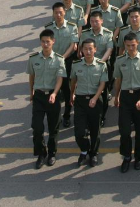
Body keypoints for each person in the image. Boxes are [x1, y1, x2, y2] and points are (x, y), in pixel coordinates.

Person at [112, 32, 140, 172]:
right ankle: (127, 156)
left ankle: (139, 158)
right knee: (124, 130)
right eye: (128, 45)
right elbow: (118, 80)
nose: (130, 48)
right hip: (125, 97)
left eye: (133, 45)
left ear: (138, 44)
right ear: (124, 45)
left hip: (139, 96)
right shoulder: (119, 60)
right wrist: (116, 96)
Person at [28, 28, 66, 169]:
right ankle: (41, 153)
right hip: (38, 96)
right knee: (37, 127)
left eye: (48, 42)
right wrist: (31, 93)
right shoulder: (33, 59)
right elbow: (31, 76)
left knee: (53, 127)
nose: (45, 44)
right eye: (43, 42)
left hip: (52, 96)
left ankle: (52, 153)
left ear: (53, 42)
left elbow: (59, 79)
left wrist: (55, 93)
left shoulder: (59, 59)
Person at [70, 38, 108, 167]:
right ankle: (84, 150)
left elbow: (102, 84)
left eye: (90, 48)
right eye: (85, 49)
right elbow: (73, 81)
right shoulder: (76, 65)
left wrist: (95, 98)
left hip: (95, 99)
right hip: (80, 99)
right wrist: (72, 95)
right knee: (79, 132)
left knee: (94, 130)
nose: (88, 51)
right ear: (81, 50)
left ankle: (93, 153)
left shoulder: (101, 65)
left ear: (95, 49)